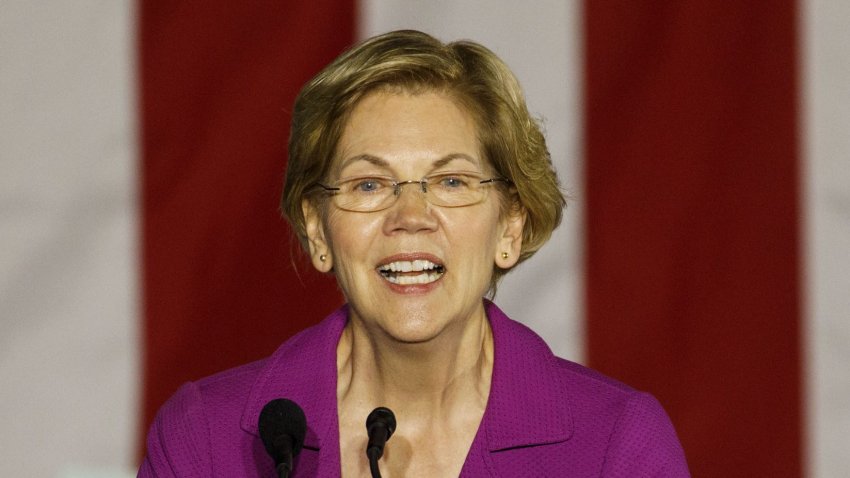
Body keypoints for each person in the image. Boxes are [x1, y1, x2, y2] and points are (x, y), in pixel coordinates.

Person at [138, 30, 690, 477]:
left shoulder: (615, 445)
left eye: (450, 181)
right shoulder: (205, 440)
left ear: (511, 225)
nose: (410, 217)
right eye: (370, 185)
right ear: (318, 229)